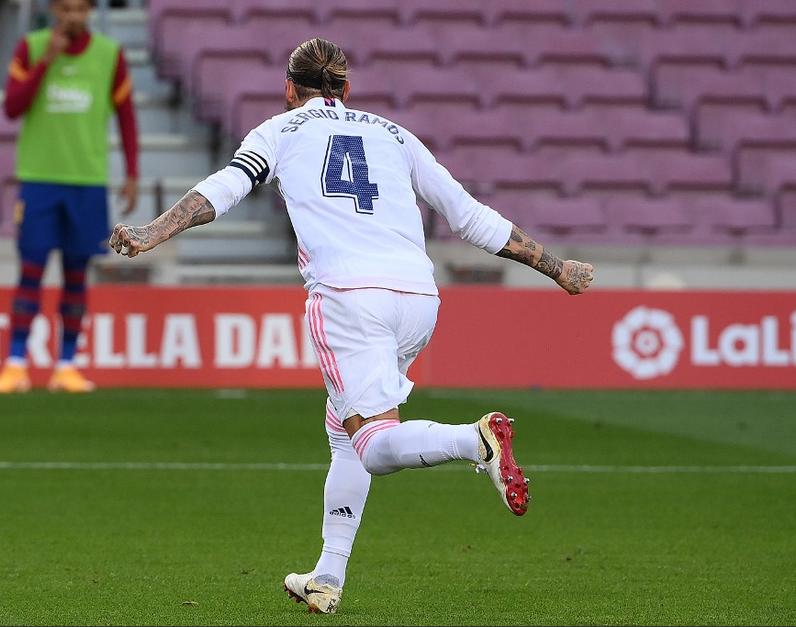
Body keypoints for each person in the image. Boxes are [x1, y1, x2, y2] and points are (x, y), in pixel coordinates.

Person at [109, 38, 594, 613]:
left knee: (373, 445)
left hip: (347, 296)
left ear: (290, 90)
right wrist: (555, 266)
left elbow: (227, 188)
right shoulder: (396, 135)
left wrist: (152, 232)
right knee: (344, 425)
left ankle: (476, 440)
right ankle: (328, 576)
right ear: (347, 90)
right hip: (418, 297)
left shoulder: (279, 132)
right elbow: (467, 215)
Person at [0, 0, 139, 393]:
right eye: (66, 8)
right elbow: (13, 108)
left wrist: (133, 173)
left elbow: (125, 115)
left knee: (76, 275)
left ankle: (66, 365)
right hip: (39, 180)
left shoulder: (109, 54)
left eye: (81, 8)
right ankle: (15, 364)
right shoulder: (31, 47)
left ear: (89, 11)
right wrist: (46, 61)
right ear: (54, 10)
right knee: (31, 270)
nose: (73, 16)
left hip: (86, 182)